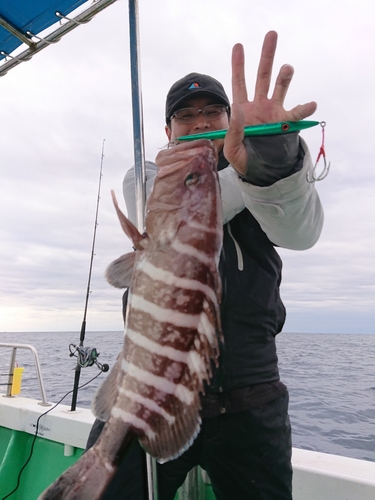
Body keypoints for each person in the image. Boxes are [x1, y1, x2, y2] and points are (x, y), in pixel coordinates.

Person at [86, 31, 324, 500]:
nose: (200, 125)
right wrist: (242, 170)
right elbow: (171, 211)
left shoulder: (268, 177)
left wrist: (271, 162)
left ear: (231, 119)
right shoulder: (148, 175)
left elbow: (302, 233)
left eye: (212, 113)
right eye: (186, 118)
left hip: (251, 393)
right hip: (151, 383)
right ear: (168, 132)